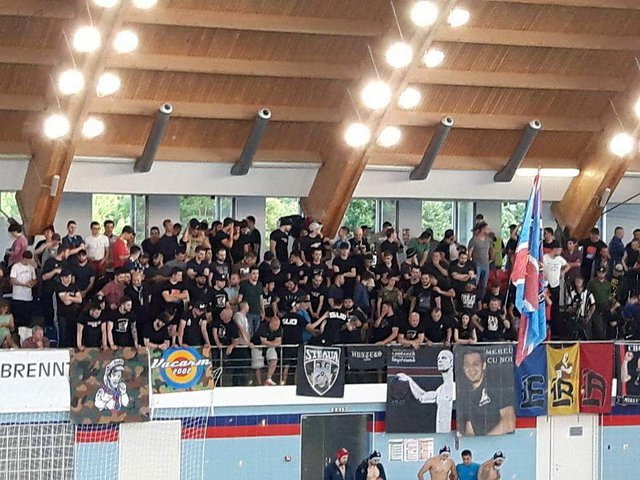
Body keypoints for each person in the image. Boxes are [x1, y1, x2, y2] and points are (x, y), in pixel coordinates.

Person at [456, 348, 515, 436]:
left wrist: (485, 442)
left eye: (475, 364)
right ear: (463, 368)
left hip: (499, 445)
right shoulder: (463, 393)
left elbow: (509, 423)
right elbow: (468, 431)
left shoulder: (495, 385)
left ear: (483, 365)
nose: (471, 369)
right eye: (467, 364)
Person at [396, 350, 454, 433]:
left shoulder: (456, 387)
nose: (440, 360)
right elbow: (422, 397)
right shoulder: (441, 389)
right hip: (440, 434)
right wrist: (409, 381)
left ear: (451, 362)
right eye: (438, 359)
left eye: (444, 358)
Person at [10, 251, 37, 327]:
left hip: (28, 297)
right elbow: (12, 280)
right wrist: (24, 284)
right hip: (18, 296)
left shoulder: (31, 268)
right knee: (18, 319)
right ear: (22, 258)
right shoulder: (16, 267)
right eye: (26, 260)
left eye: (29, 260)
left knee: (27, 319)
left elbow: (34, 280)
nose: (27, 262)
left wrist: (32, 283)